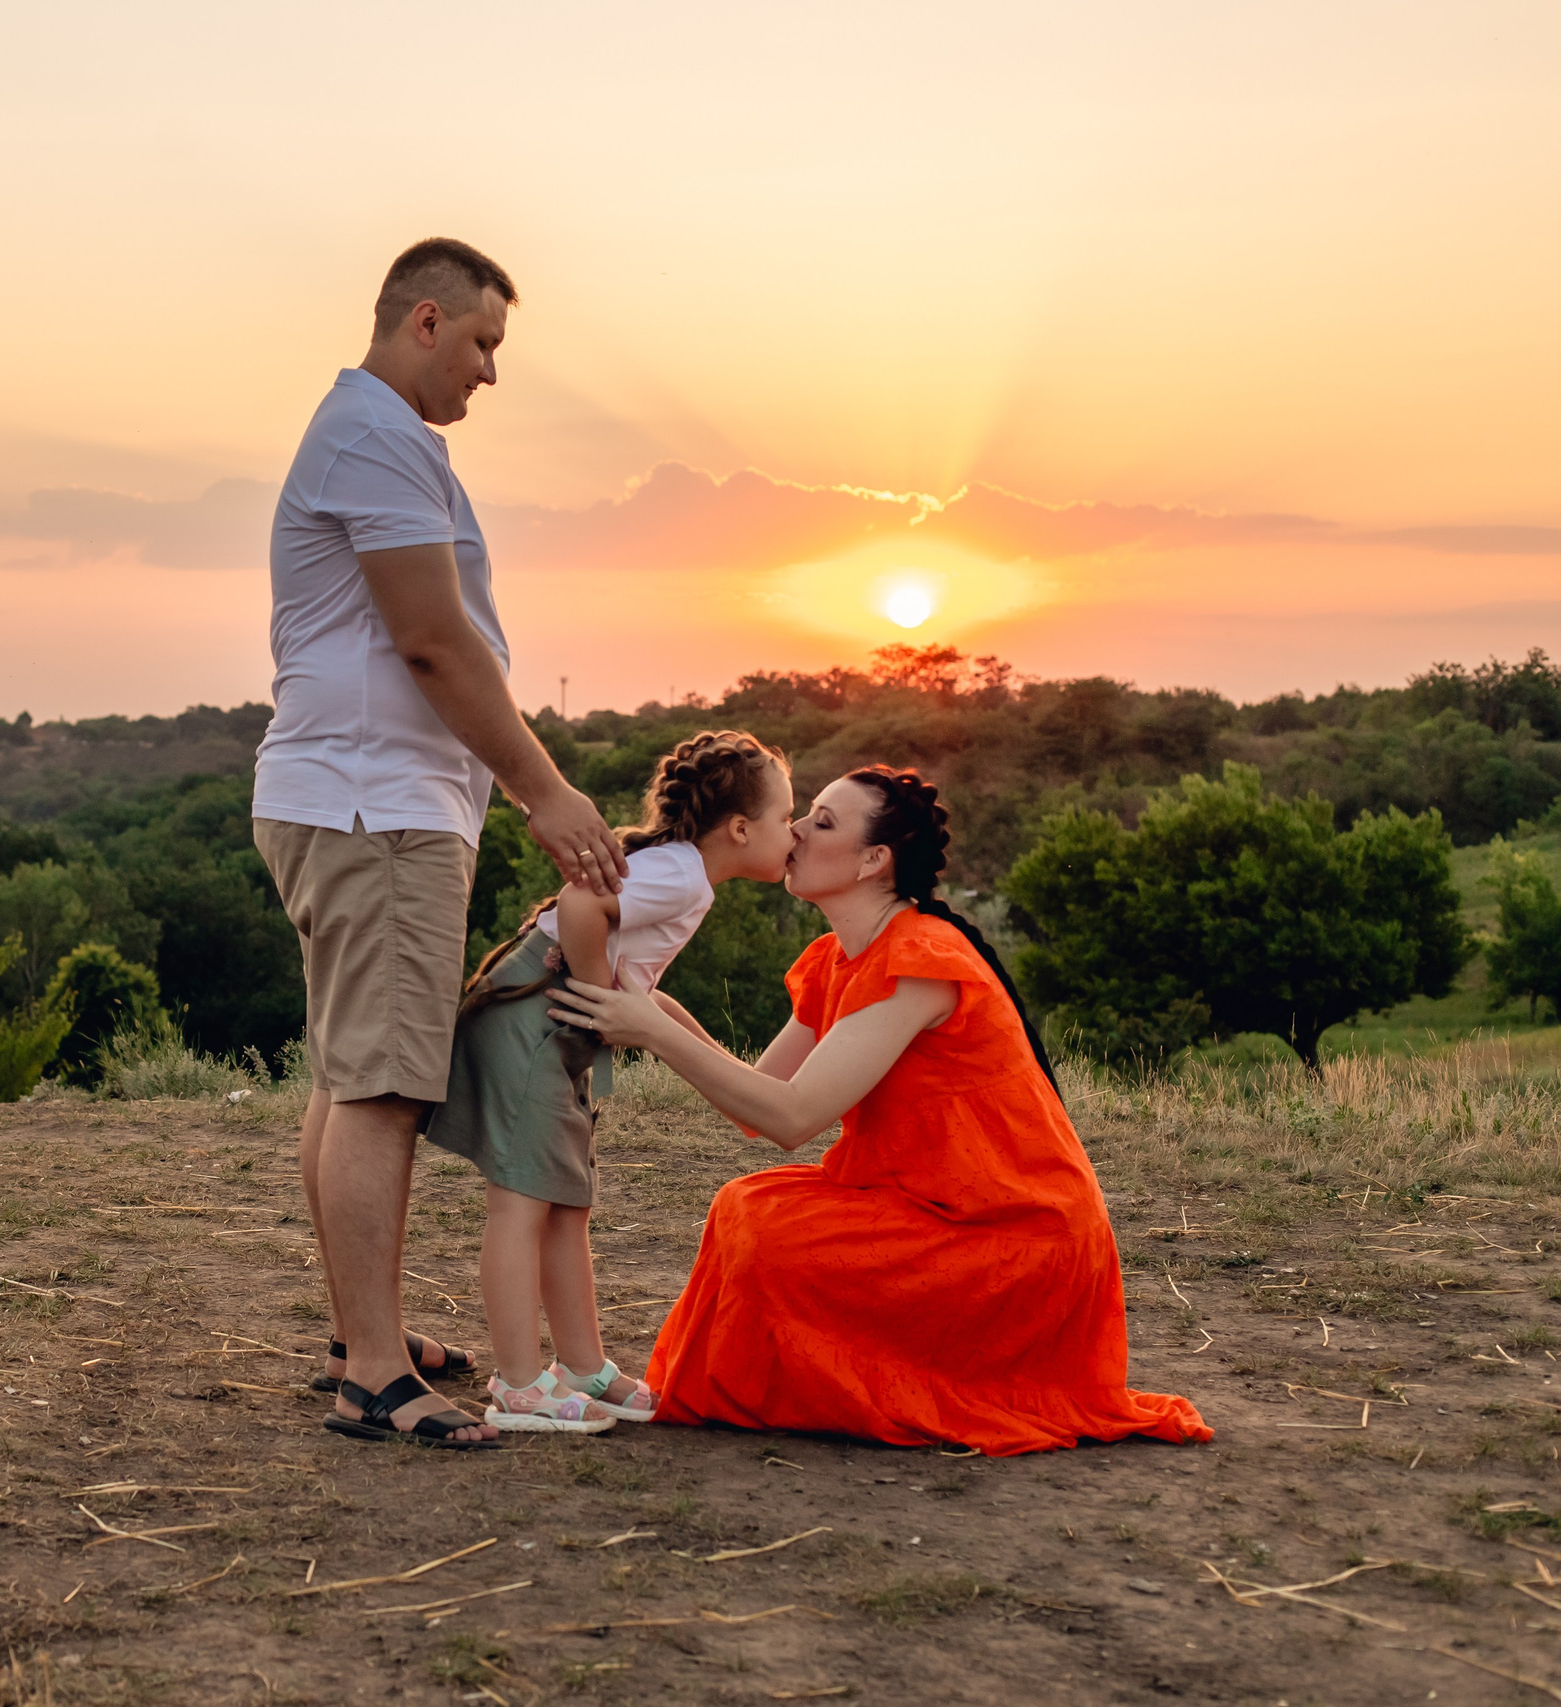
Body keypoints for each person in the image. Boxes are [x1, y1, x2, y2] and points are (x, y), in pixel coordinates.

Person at [548, 766, 1210, 1456]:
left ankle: (843, 1390)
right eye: (805, 815)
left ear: (873, 861)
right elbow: (759, 1097)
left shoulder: (920, 960)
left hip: (1012, 1233)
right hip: (923, 1203)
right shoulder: (835, 958)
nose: (796, 830)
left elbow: (792, 1117)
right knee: (746, 1208)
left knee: (769, 1231)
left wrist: (652, 1030)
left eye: (823, 822)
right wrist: (650, 1005)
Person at [251, 238, 626, 1450]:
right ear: (425, 321)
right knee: (381, 1088)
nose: (488, 373)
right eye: (481, 344)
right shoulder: (377, 437)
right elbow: (431, 639)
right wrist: (542, 792)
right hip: (376, 808)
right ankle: (372, 1372)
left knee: (346, 1076)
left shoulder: (375, 434)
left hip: (356, 799)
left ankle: (361, 1334)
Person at [428, 733, 793, 1433]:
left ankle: (582, 1367)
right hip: (536, 1022)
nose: (795, 832)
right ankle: (517, 1386)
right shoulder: (683, 876)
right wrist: (598, 1002)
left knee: (566, 1202)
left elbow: (643, 995)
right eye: (788, 817)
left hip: (552, 1023)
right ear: (741, 829)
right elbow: (578, 906)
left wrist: (713, 1057)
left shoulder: (684, 874)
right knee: (521, 1203)